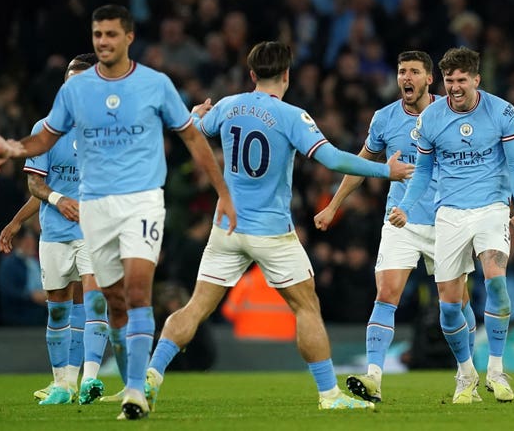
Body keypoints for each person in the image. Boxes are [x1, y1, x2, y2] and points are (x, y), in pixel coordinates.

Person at [144, 40, 413, 413]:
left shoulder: (228, 105)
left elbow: (196, 127)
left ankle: (152, 375)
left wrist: (196, 112)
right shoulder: (292, 116)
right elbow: (332, 159)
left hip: (227, 227)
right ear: (286, 75)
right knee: (306, 306)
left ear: (252, 75)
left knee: (196, 306)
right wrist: (387, 170)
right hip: (271, 230)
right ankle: (329, 395)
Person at [0, 4, 236, 420]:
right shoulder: (74, 93)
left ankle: (133, 391)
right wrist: (13, 147)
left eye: (111, 34)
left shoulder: (155, 83)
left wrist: (224, 194)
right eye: (97, 35)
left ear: (128, 37)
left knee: (137, 292)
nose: (103, 41)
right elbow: (44, 140)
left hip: (141, 201)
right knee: (114, 303)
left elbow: (194, 141)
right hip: (97, 208)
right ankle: (109, 381)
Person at [314, 50, 477, 404]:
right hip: (400, 219)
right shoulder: (385, 119)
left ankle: (468, 375)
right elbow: (361, 163)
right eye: (402, 71)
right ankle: (373, 378)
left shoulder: (453, 114)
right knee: (387, 293)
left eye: (414, 72)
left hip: (446, 222)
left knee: (456, 303)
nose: (406, 77)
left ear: (428, 79)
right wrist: (332, 206)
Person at [389, 47, 514, 404]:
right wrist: (405, 207)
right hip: (449, 213)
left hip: (492, 208)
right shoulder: (431, 119)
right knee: (449, 307)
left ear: (476, 80)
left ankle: (496, 372)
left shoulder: (502, 112)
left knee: (496, 281)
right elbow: (422, 172)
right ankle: (466, 375)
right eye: (449, 80)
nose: (454, 87)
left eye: (461, 80)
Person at [0, 53, 114, 406]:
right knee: (60, 310)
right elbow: (38, 185)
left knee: (94, 299)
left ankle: (90, 380)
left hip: (94, 230)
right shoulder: (44, 129)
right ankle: (63, 384)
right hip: (54, 233)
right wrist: (19, 220)